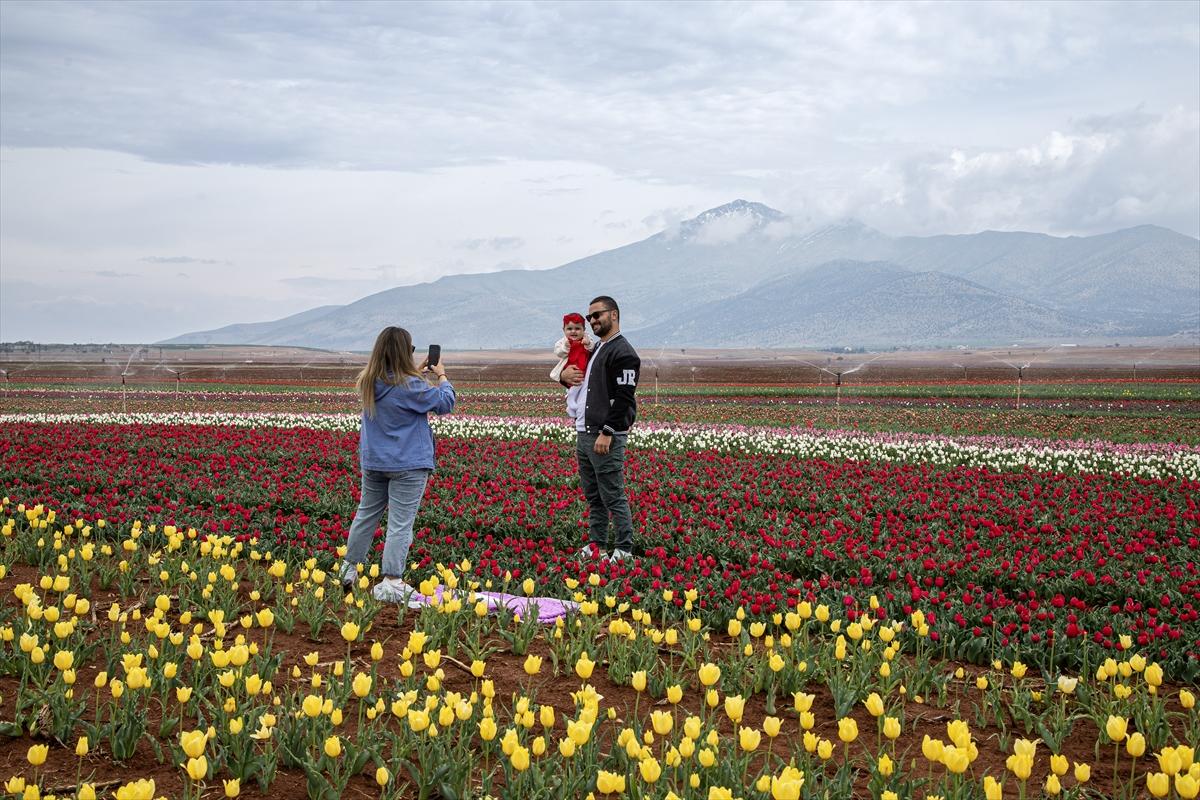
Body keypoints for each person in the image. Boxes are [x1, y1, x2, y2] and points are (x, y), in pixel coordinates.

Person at [341, 326, 455, 604]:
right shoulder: (410, 386)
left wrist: (413, 371)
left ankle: (349, 570)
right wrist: (441, 375)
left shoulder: (368, 381)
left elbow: (396, 387)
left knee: (366, 515)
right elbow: (445, 402)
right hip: (408, 463)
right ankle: (391, 580)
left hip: (374, 462)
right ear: (404, 353)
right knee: (400, 524)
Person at [559, 295, 641, 563]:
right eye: (590, 316)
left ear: (614, 315)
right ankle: (597, 545)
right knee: (594, 495)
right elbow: (578, 379)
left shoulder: (623, 352)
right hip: (585, 431)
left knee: (612, 493)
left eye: (598, 315)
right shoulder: (597, 349)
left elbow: (624, 396)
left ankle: (624, 549)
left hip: (604, 434)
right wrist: (563, 377)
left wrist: (608, 431)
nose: (592, 320)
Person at [550, 312, 594, 420]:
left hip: (583, 370)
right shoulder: (563, 342)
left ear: (584, 330)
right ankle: (571, 405)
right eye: (569, 329)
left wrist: (587, 343)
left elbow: (592, 348)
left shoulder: (587, 339)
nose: (573, 331)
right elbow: (558, 352)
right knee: (574, 387)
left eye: (577, 328)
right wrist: (566, 347)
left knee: (582, 389)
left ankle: (576, 406)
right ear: (564, 330)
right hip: (571, 368)